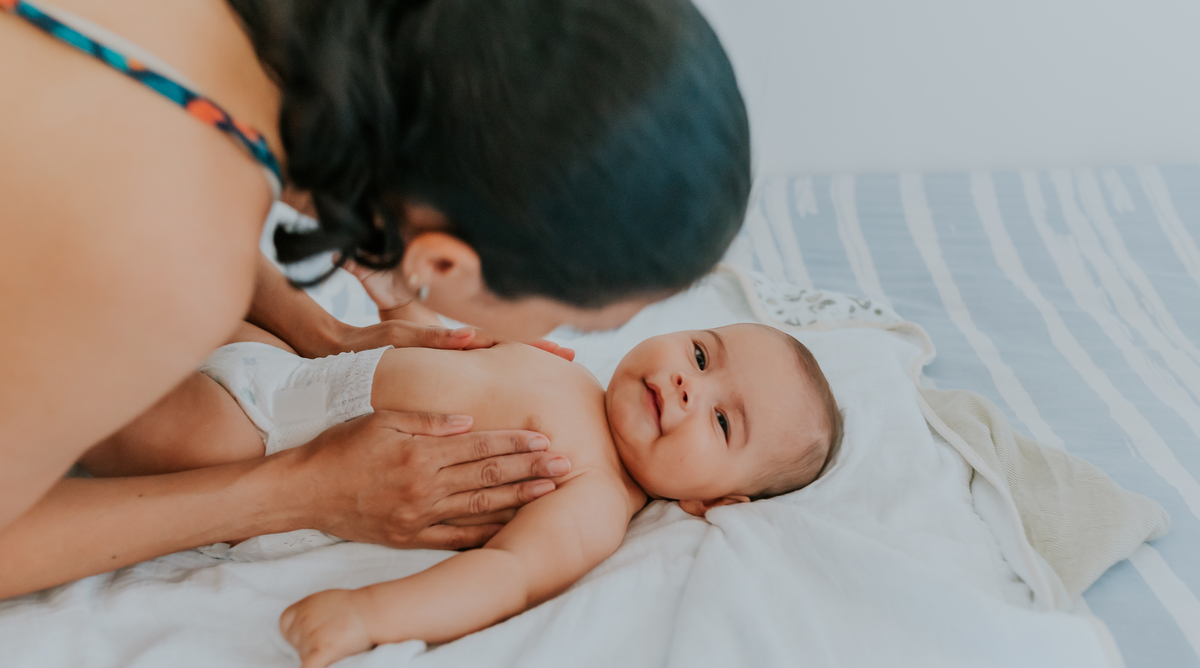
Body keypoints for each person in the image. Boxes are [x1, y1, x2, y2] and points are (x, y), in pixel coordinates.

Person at [0, 0, 750, 598]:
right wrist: (299, 490)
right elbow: (138, 246)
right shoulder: (169, 265)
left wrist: (322, 333)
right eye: (575, 319)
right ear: (445, 263)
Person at [83, 277, 841, 668]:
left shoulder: (595, 496)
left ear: (713, 499)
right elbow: (443, 348)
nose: (686, 387)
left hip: (258, 439)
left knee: (104, 396)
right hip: (290, 366)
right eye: (702, 356)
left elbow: (505, 576)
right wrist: (396, 295)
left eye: (722, 422)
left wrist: (370, 616)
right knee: (172, 279)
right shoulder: (566, 364)